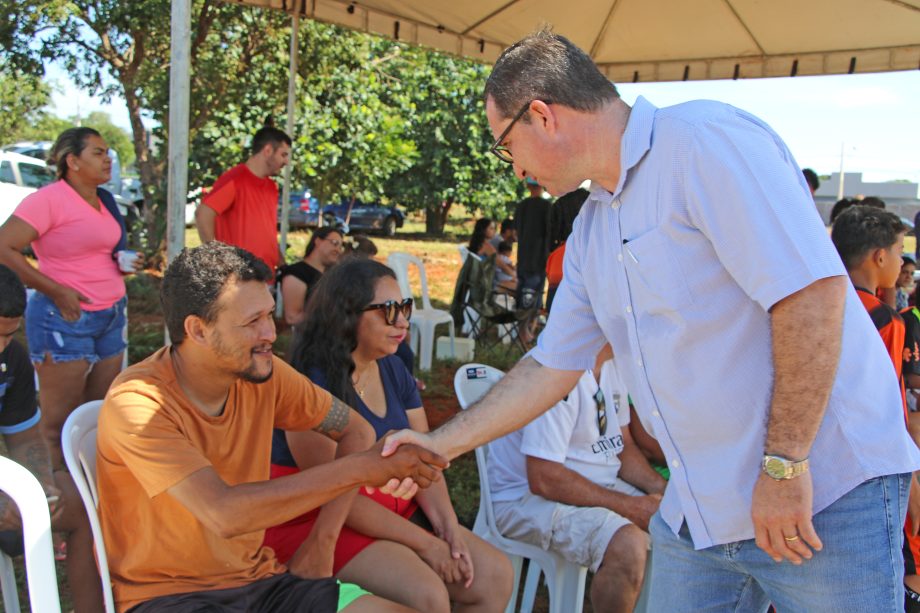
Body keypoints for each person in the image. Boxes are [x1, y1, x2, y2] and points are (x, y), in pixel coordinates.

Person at [382, 29, 920, 612]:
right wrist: (440, 444)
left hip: (822, 491)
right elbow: (550, 365)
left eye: (504, 146)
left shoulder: (704, 143)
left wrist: (786, 467)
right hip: (701, 510)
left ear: (541, 115)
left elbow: (810, 296)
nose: (513, 169)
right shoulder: (592, 228)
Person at [96, 242, 447, 613]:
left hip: (263, 581)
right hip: (168, 596)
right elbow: (224, 514)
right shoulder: (139, 402)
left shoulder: (265, 373)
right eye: (252, 322)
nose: (270, 333)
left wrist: (322, 542)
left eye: (269, 314)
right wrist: (362, 467)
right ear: (197, 330)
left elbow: (356, 432)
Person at [266, 258, 512, 612]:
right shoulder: (311, 382)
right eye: (388, 310)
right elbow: (328, 490)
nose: (402, 321)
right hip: (322, 518)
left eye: (405, 307)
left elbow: (425, 459)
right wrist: (427, 545)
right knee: (427, 593)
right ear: (347, 314)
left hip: (393, 509)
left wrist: (449, 528)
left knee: (494, 575)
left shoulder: (393, 367)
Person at [0, 127, 141, 467]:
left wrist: (121, 264)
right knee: (57, 423)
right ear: (72, 161)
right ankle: (58, 499)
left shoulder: (104, 199)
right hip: (64, 319)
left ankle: (88, 489)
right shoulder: (49, 200)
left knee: (96, 414)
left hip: (111, 315)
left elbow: (94, 250)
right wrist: (57, 291)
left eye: (107, 152)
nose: (108, 158)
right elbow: (4, 247)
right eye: (98, 152)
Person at [489, 343, 665, 612]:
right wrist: (631, 508)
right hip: (524, 499)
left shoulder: (611, 363)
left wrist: (661, 489)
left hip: (589, 486)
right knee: (628, 543)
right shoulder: (552, 369)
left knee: (676, 519)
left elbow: (623, 446)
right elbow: (544, 478)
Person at [830, 205, 920, 610]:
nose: (903, 262)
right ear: (879, 257)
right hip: (873, 468)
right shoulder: (884, 319)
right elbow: (885, 406)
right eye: (900, 252)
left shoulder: (822, 303)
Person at [0, 265, 104, 612]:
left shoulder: (12, 360)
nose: (1, 347)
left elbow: (26, 439)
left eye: (8, 334)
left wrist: (41, 489)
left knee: (78, 503)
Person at [195, 125, 291, 276]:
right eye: (283, 154)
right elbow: (203, 213)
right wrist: (216, 258)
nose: (286, 161)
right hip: (239, 279)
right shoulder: (236, 179)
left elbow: (266, 233)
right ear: (267, 151)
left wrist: (282, 264)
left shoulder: (271, 187)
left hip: (265, 276)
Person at [279, 226, 345, 326]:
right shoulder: (296, 273)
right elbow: (292, 318)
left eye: (340, 247)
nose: (338, 250)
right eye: (335, 243)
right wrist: (333, 311)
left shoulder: (330, 275)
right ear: (318, 241)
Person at [515, 178, 551, 343]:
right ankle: (528, 332)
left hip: (523, 259)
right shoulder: (546, 207)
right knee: (533, 296)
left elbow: (518, 231)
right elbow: (550, 233)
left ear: (528, 186)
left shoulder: (522, 206)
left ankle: (526, 330)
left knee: (524, 296)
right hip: (538, 260)